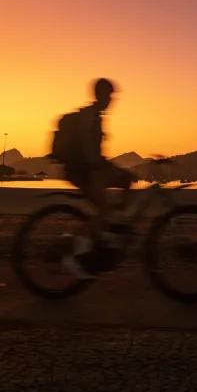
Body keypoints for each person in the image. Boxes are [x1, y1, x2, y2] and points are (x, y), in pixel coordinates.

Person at [56, 78, 134, 279]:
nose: (110, 100)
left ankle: (108, 229)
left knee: (126, 179)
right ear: (99, 95)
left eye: (111, 96)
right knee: (103, 207)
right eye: (108, 96)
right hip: (82, 171)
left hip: (90, 169)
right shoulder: (89, 116)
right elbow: (87, 149)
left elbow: (95, 153)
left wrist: (108, 167)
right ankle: (75, 257)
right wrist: (100, 167)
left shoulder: (96, 117)